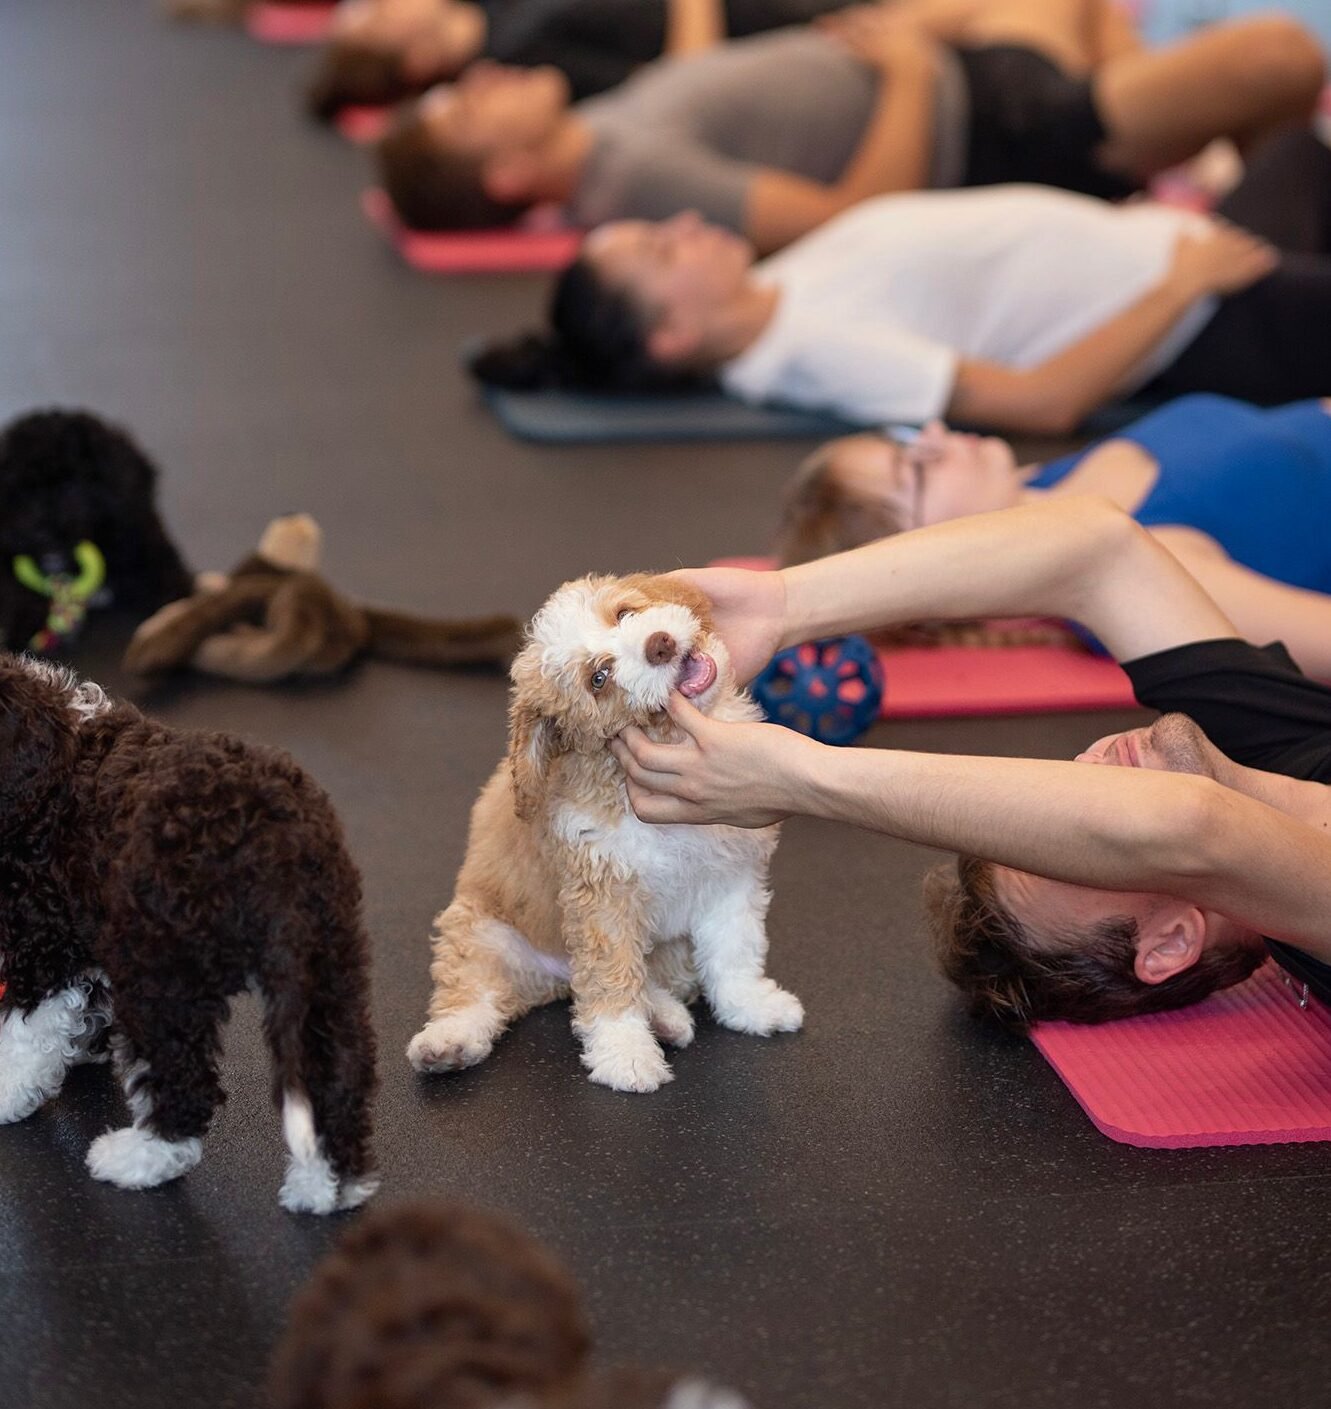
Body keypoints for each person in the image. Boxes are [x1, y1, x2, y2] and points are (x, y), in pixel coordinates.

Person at [610, 495, 1331, 1029]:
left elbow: (1095, 549)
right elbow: (1190, 828)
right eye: (1075, 837)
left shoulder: (1253, 753)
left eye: (1050, 798)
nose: (1086, 769)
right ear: (1172, 938)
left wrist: (783, 601)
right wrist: (801, 777)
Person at [470, 126, 1331, 436]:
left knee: (1299, 152)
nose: (687, 226)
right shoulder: (812, 355)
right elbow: (1038, 404)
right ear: (671, 337)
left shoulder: (774, 283)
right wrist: (1181, 287)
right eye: (664, 251)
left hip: (1179, 244)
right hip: (1207, 314)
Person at [373, 0, 1324, 249]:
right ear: (503, 177)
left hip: (972, 72)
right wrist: (908, 75)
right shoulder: (631, 178)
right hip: (994, 125)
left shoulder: (608, 120)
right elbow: (853, 216)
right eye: (466, 108)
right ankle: (1239, 224)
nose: (484, 76)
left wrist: (914, 31)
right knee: (1278, 55)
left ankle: (1203, 188)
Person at [777, 395, 1331, 679]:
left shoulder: (1037, 485)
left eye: (906, 440)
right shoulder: (1133, 580)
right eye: (917, 471)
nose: (936, 435)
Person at [306, 0, 855, 117]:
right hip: (781, 25)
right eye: (378, 15)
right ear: (417, 61)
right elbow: (688, 79)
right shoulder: (521, 58)